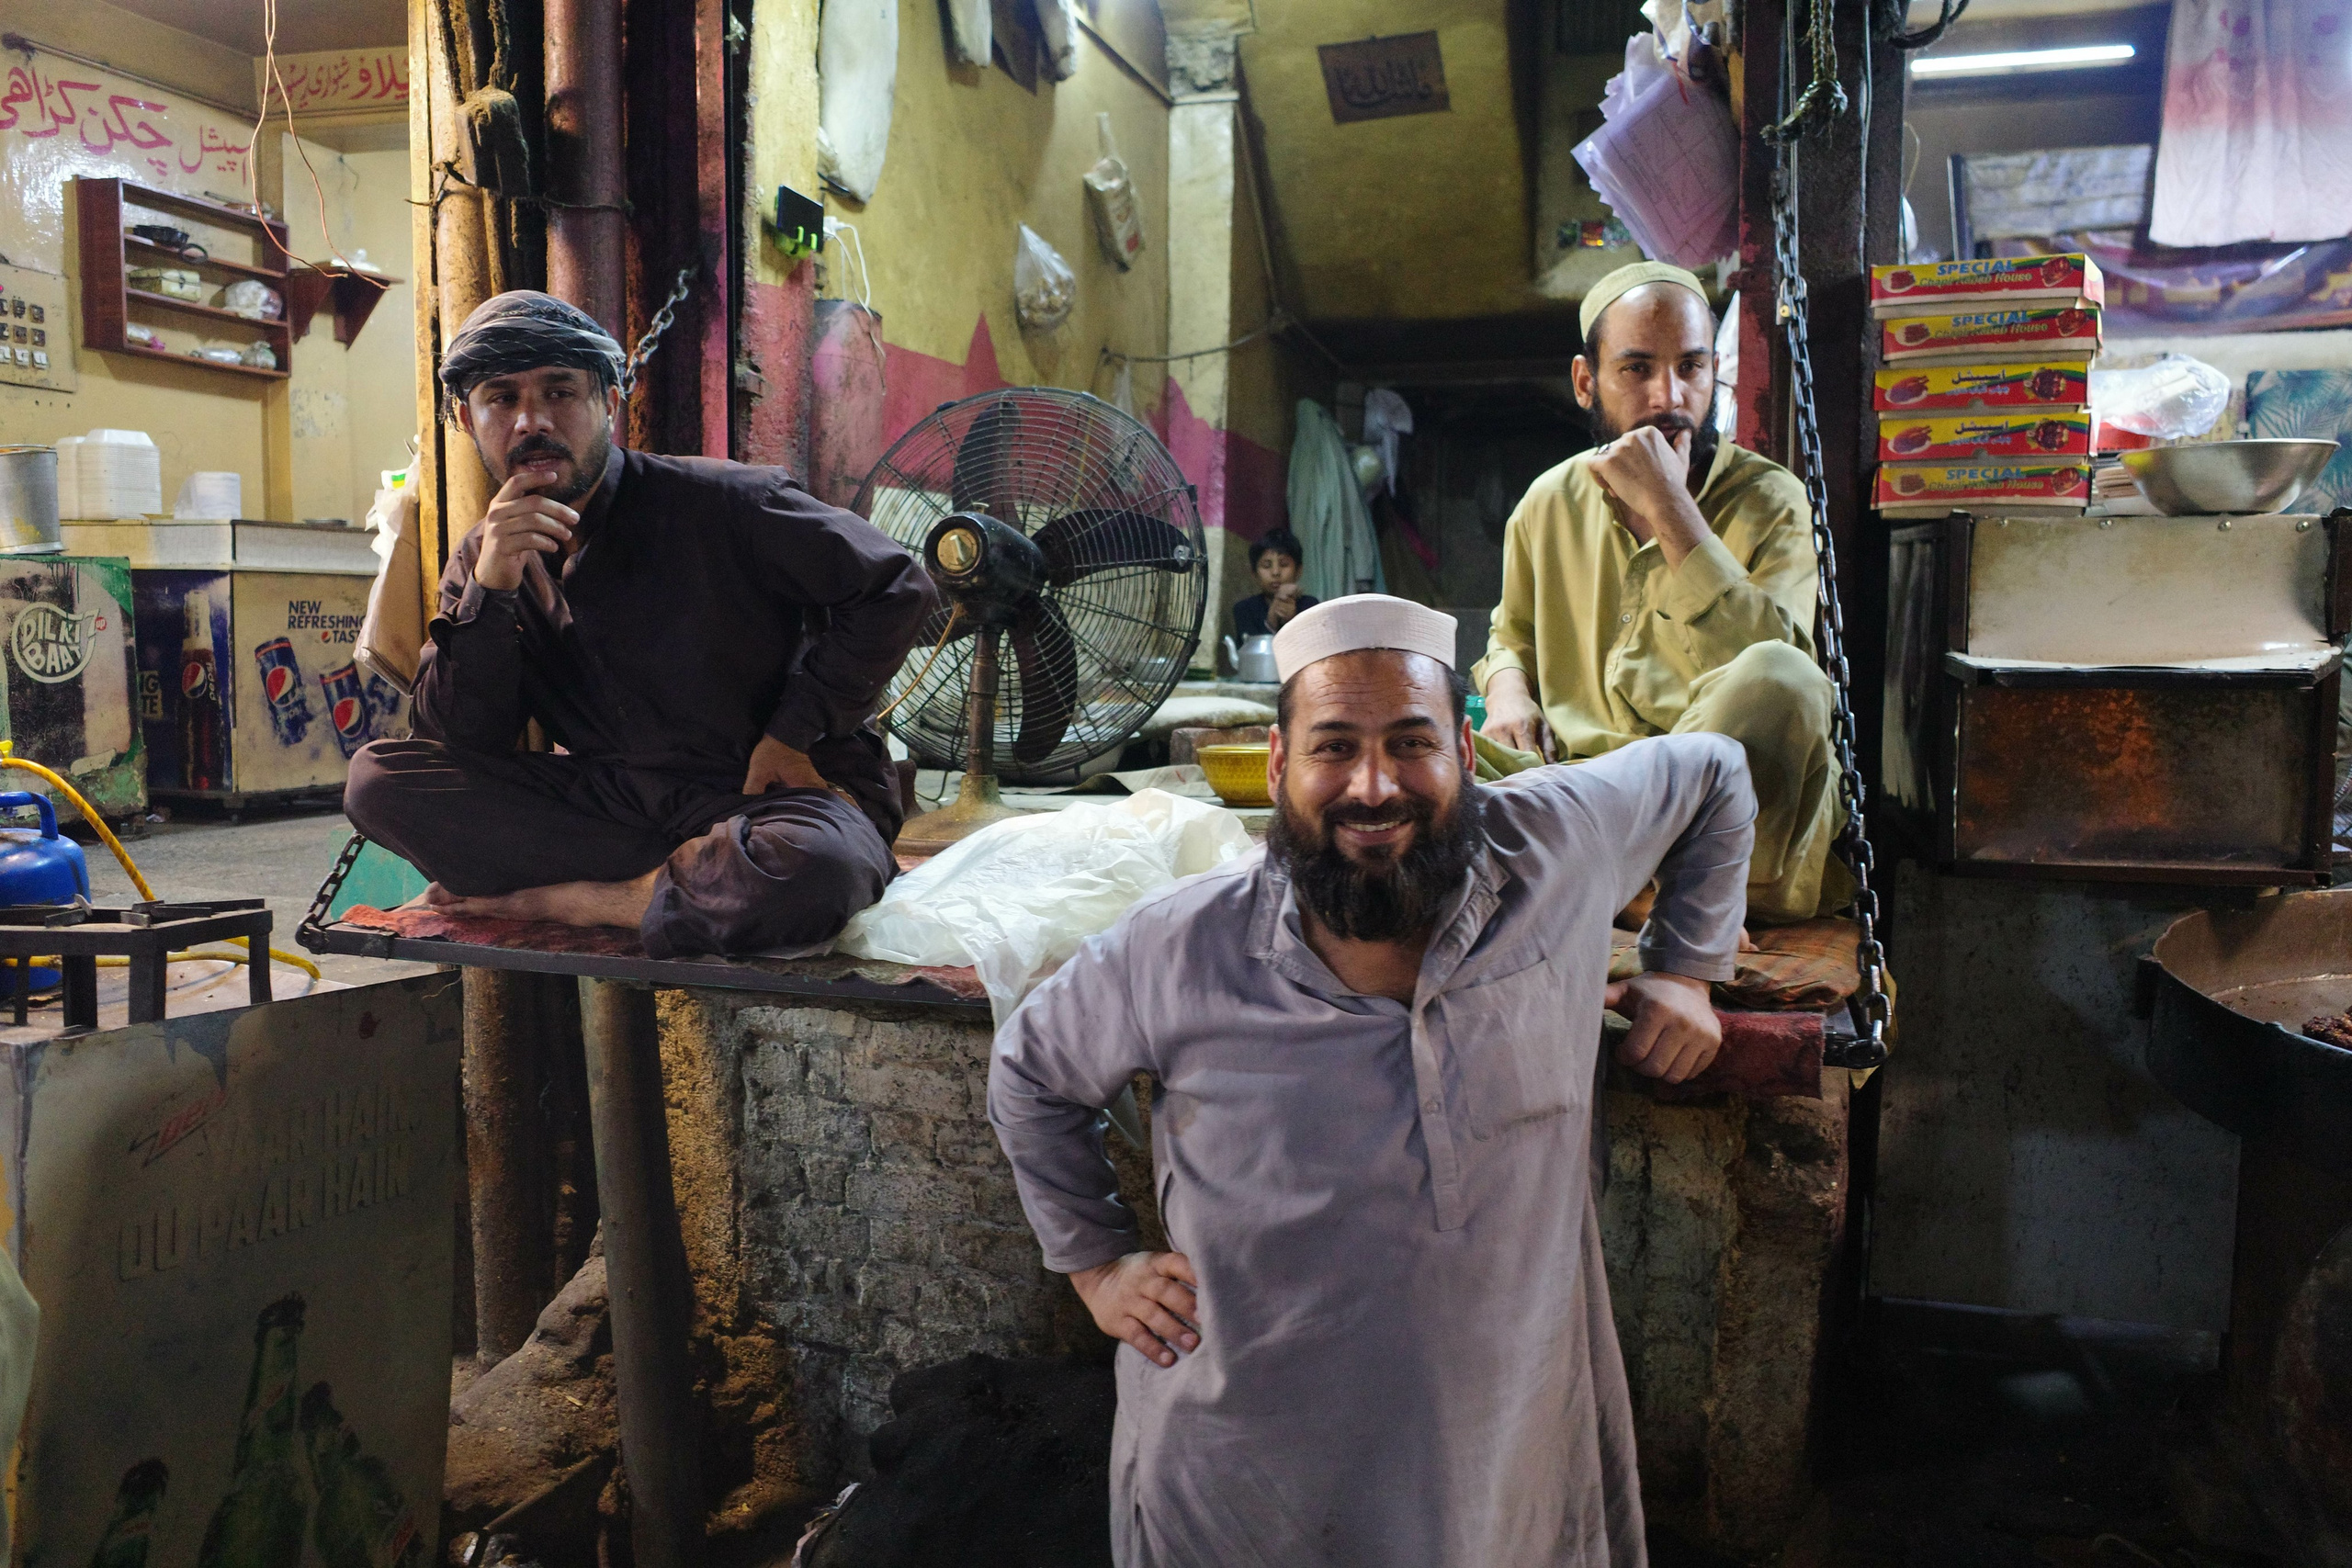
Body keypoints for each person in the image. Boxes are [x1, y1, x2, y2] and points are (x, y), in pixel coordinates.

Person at [990, 593, 1755, 1567]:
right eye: (1332, 747)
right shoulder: (1179, 946)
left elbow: (1716, 770)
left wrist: (1685, 966)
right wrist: (1097, 1265)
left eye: (1410, 743)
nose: (1373, 786)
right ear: (1277, 766)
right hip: (1248, 1480)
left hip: (1503, 1462)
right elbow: (1030, 1075)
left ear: (1467, 758)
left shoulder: (1555, 847)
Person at [344, 290, 934, 957]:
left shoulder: (727, 502)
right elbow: (459, 743)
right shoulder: (485, 556)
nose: (531, 421)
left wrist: (792, 730)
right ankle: (682, 882)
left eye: (560, 391)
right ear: (466, 417)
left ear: (609, 403)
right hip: (620, 809)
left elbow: (896, 584)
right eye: (501, 399)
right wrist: (492, 593)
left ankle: (579, 899)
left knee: (812, 871)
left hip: (771, 796)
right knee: (377, 781)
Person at [1475, 260, 1848, 923]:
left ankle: (1649, 890)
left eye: (1691, 368)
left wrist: (1673, 510)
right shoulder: (1548, 503)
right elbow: (1512, 633)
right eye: (1638, 368)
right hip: (1578, 794)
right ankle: (1627, 889)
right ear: (1586, 383)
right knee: (1424, 749)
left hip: (1713, 818)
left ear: (1714, 374)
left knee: (1782, 677)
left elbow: (1781, 674)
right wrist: (1508, 686)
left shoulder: (1772, 501)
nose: (1669, 396)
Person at [1227, 526, 1317, 639]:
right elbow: (1249, 652)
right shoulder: (1245, 610)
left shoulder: (1310, 606)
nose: (1275, 572)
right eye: (1266, 565)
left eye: (1284, 564)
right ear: (1254, 574)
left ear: (1298, 571)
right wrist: (1271, 622)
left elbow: (1314, 649)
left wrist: (1293, 621)